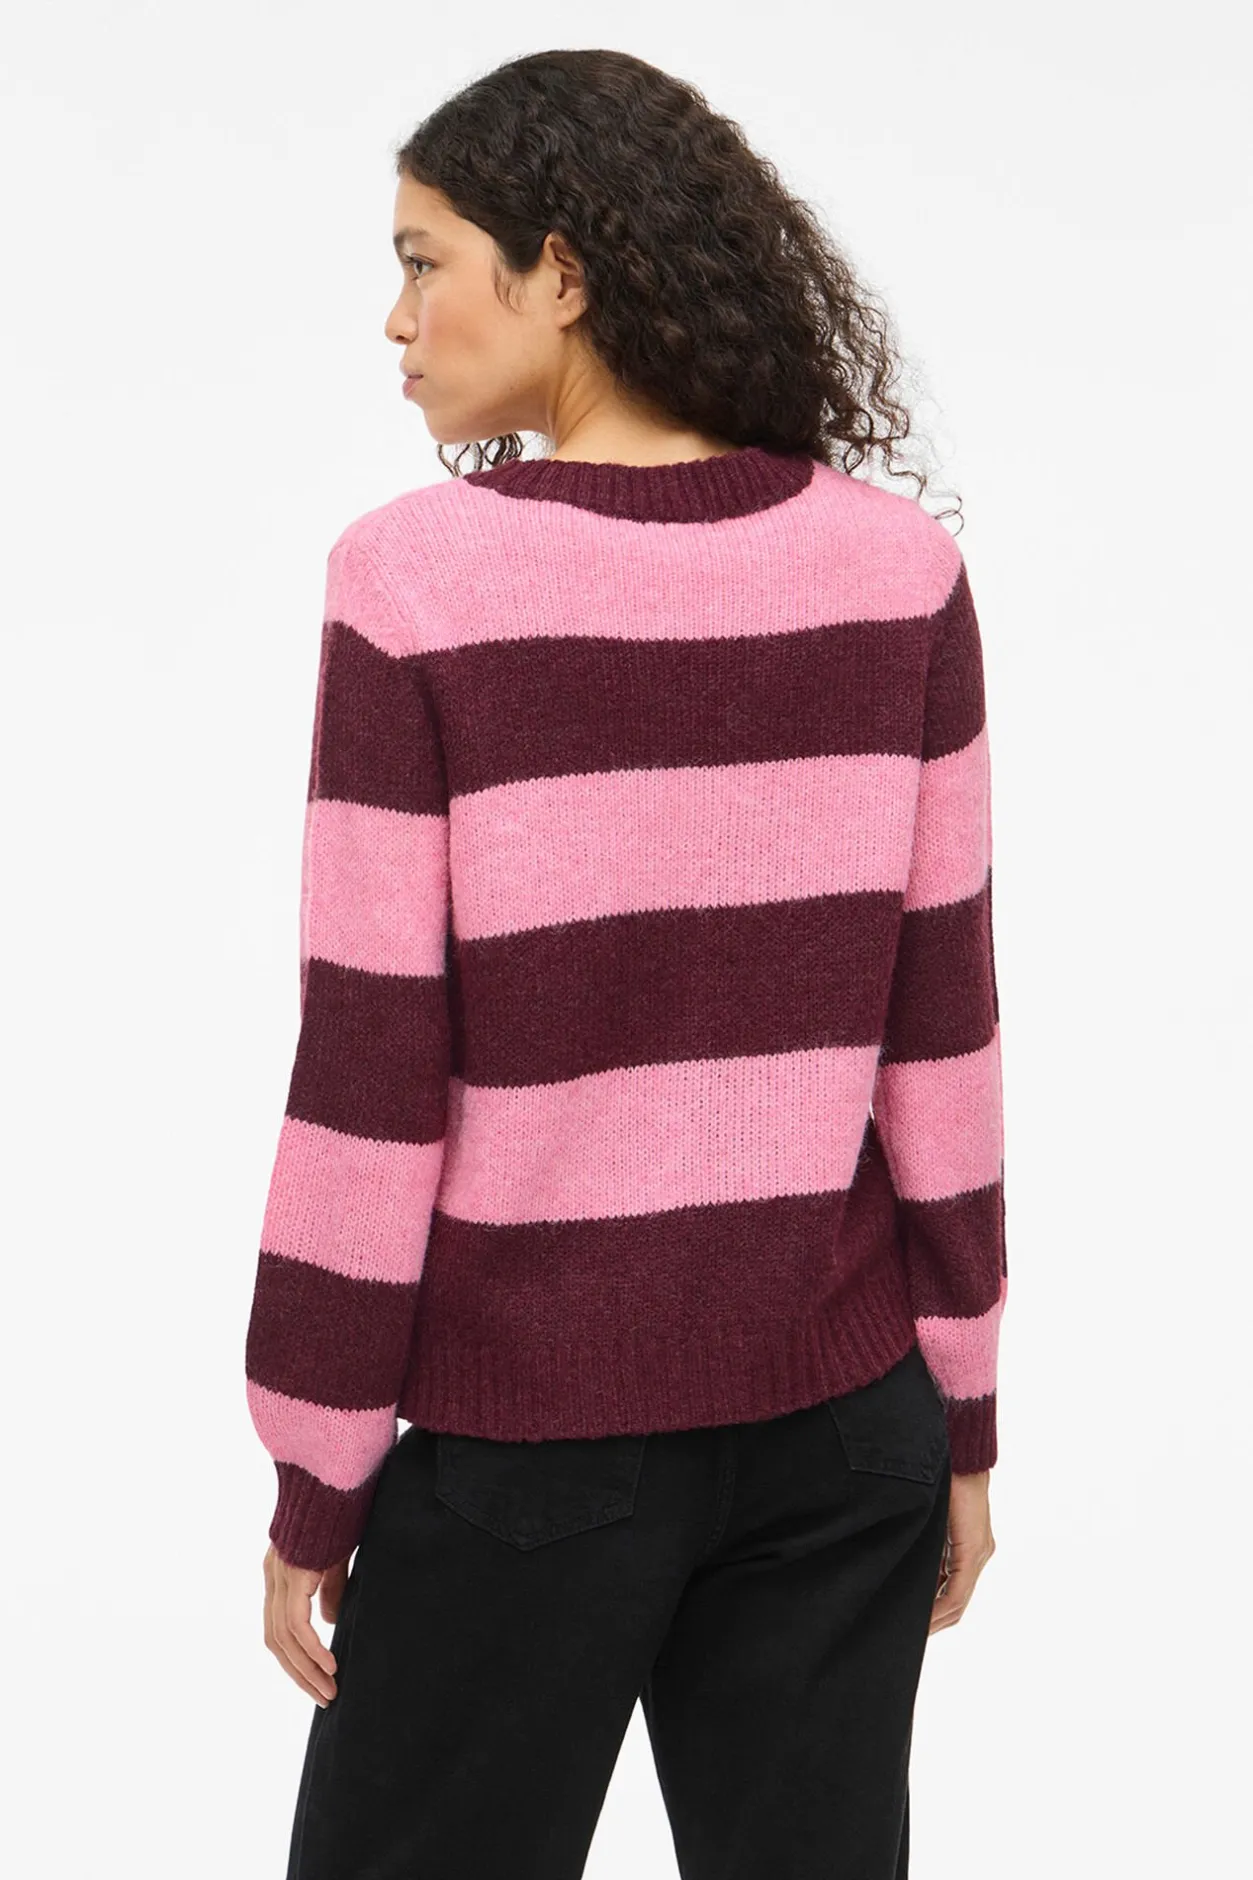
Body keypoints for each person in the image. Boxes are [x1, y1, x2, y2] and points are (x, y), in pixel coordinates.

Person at [244, 46, 1005, 1880]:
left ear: (563, 274)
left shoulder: (415, 585)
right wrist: (964, 1409)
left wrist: (316, 1470)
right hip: (847, 1434)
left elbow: (370, 1074)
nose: (396, 320)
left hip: (530, 1444)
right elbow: (946, 1042)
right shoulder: (897, 574)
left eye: (426, 262)